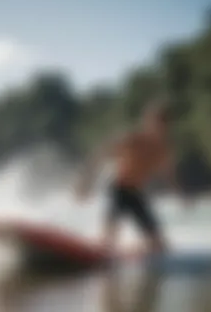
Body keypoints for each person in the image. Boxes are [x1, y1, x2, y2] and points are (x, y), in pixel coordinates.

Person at [74, 99, 188, 259]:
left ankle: (132, 250)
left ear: (167, 126)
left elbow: (169, 174)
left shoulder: (163, 149)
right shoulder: (132, 139)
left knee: (160, 246)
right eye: (154, 122)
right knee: (108, 240)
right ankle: (103, 246)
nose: (157, 128)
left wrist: (180, 195)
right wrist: (85, 183)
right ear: (147, 121)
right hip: (118, 190)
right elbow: (100, 154)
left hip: (136, 194)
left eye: (162, 124)